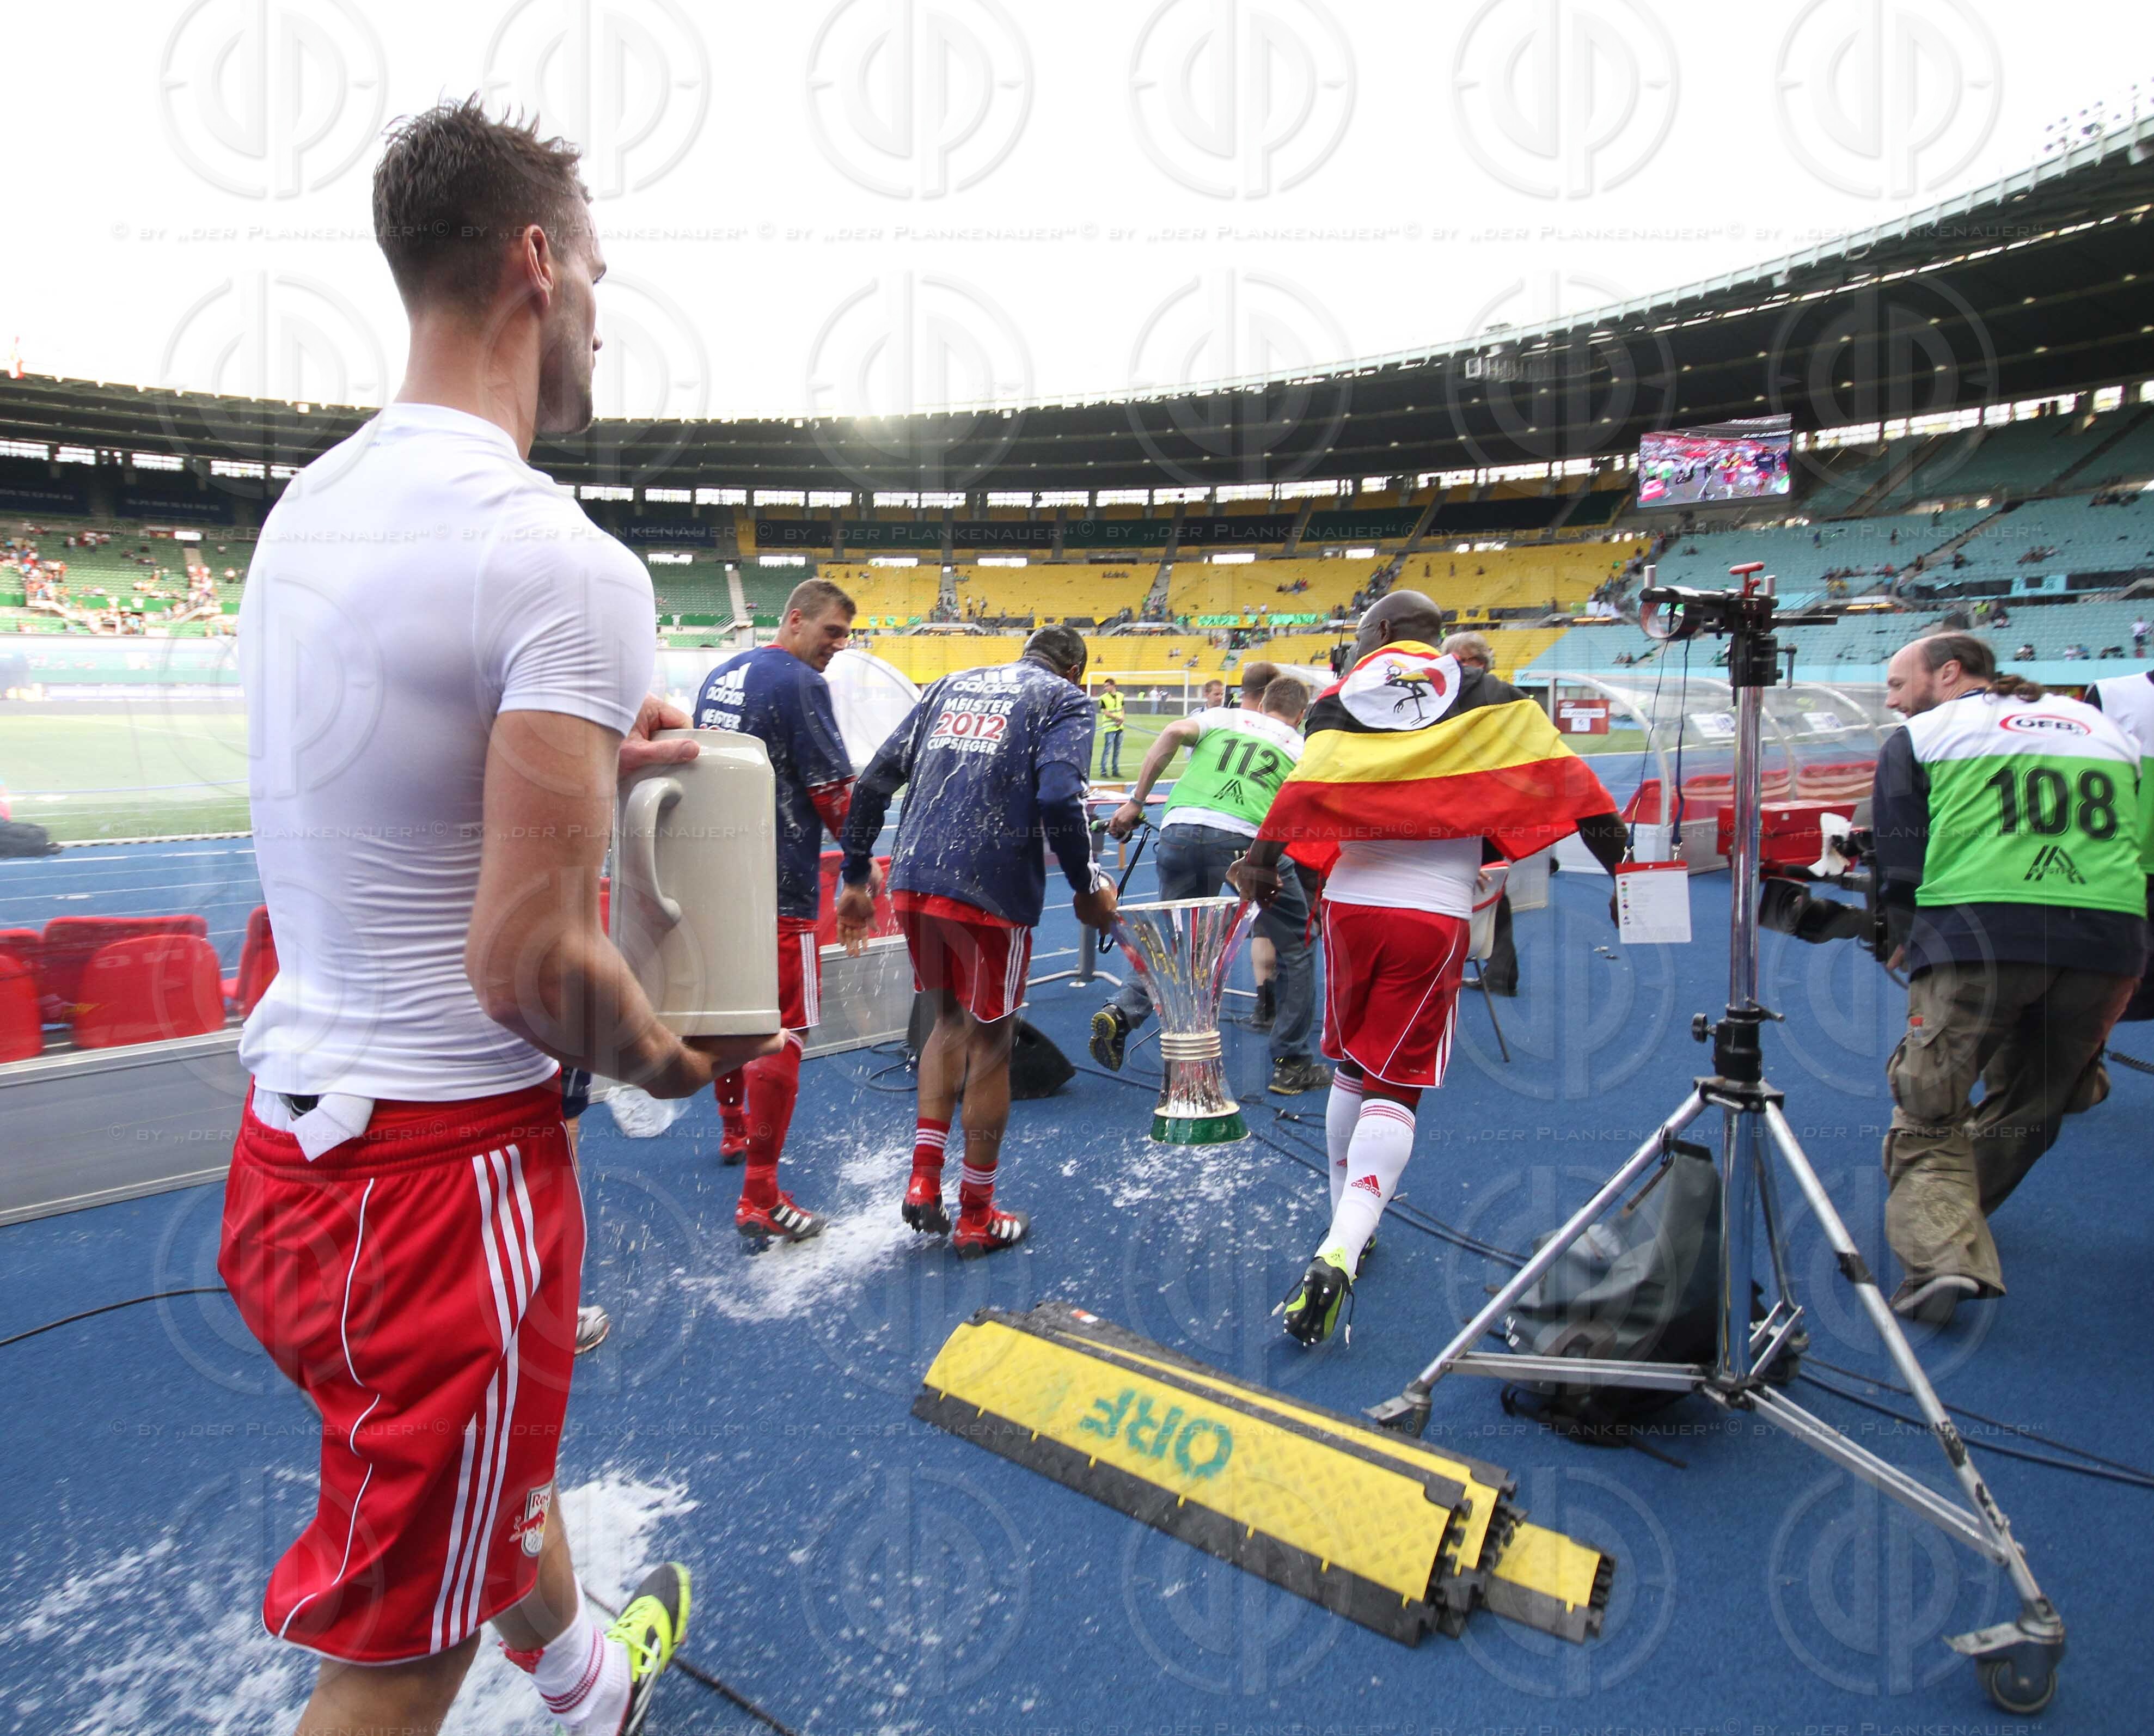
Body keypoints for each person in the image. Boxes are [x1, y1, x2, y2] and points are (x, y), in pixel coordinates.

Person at [216, 101, 763, 1736]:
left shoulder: (308, 513)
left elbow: (401, 777)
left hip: (291, 1160)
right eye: (592, 267)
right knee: (399, 1646)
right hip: (438, 1191)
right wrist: (674, 1068)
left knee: (469, 1477)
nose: (598, 302)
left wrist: (591, 739)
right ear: (535, 263)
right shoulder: (557, 556)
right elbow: (526, 960)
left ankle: (589, 1685)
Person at [1228, 592, 1627, 1344]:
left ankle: (1348, 1221)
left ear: (1378, 634)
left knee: (1351, 1068)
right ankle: (1341, 1249)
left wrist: (1260, 863)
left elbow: (1303, 791)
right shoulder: (1490, 697)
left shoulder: (1338, 701)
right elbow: (1580, 793)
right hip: (1431, 912)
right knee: (1396, 1084)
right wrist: (1626, 881)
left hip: (1350, 908)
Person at [1871, 633, 2152, 1324]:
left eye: (1898, 682)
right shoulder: (2100, 729)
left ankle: (1942, 1256)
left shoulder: (1922, 736)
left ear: (1948, 672)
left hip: (1979, 935)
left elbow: (1899, 860)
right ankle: (1956, 1219)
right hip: (2108, 939)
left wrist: (1896, 936)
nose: (1891, 698)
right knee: (2034, 1102)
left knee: (1928, 1105)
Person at [835, 625, 1118, 1254]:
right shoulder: (1065, 699)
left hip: (913, 876)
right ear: (1074, 669)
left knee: (945, 1024)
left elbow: (875, 779)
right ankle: (975, 1214)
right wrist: (1087, 881)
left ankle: (921, 1180)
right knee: (992, 1041)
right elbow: (1057, 794)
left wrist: (856, 868)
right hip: (988, 887)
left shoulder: (948, 685)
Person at [693, 577, 859, 1243]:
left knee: (729, 1014)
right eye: (831, 632)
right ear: (795, 621)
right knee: (786, 1030)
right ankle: (760, 1192)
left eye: (845, 636)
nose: (837, 647)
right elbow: (835, 791)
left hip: (714, 879)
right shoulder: (799, 683)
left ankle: (733, 1128)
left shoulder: (721, 673)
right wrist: (863, 862)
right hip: (777, 884)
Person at [1091, 673, 1330, 1097]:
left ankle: (1122, 1012)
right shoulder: (1301, 747)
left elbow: (1173, 731)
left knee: (1174, 941)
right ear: (1302, 713)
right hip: (1246, 842)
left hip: (1181, 828)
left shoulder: (1224, 718)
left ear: (1260, 702)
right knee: (1296, 945)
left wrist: (1136, 801)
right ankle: (1292, 1062)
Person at [1098, 675, 1126, 777]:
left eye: (1107, 686)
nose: (1105, 688)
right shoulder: (1103, 698)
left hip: (1120, 726)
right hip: (1109, 726)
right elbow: (1105, 712)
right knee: (1108, 749)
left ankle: (1115, 770)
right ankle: (1103, 770)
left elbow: (1122, 708)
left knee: (1117, 749)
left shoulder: (1121, 696)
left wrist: (1122, 718)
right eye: (1105, 686)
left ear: (1113, 686)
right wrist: (1117, 718)